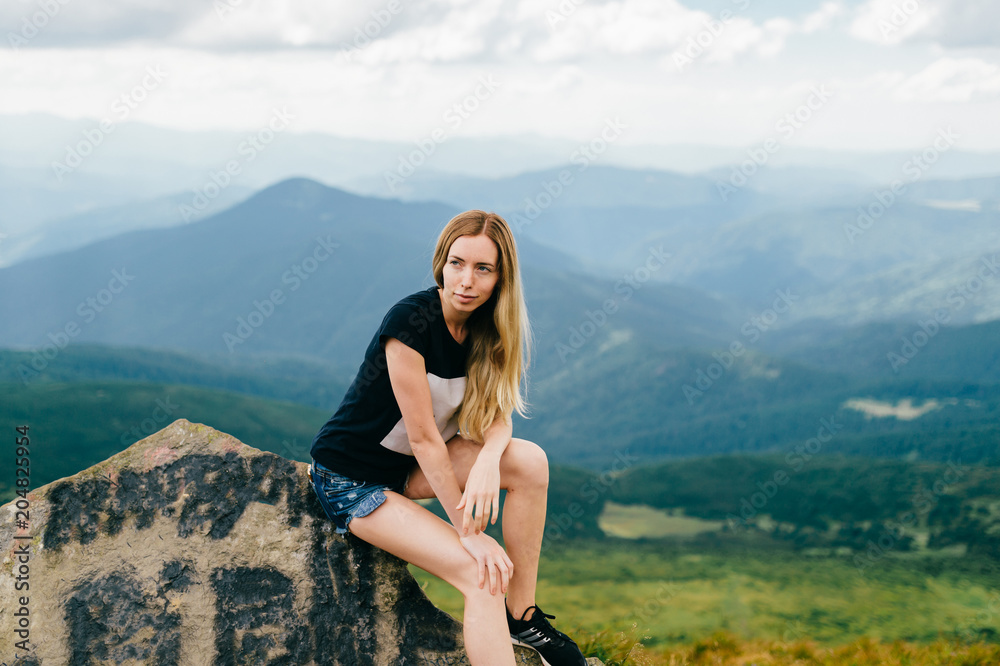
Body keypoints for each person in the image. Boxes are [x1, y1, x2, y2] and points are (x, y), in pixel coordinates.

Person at [308, 210, 587, 666]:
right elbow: (423, 439)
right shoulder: (410, 324)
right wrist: (468, 531)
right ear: (441, 262)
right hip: (352, 480)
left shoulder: (487, 327)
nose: (466, 280)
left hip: (405, 470)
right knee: (480, 573)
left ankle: (522, 616)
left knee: (530, 462)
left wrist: (487, 462)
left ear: (501, 278)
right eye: (457, 263)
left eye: (483, 269)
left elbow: (499, 416)